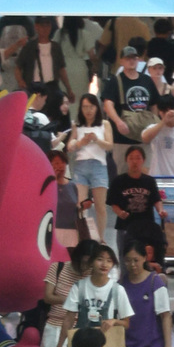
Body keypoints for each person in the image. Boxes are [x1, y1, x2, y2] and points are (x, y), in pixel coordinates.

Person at [68, 93, 113, 243]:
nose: (88, 110)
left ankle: (101, 237)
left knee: (100, 205)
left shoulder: (104, 124)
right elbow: (70, 146)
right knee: (80, 205)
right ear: (81, 108)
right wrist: (81, 142)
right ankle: (82, 236)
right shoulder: (77, 125)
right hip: (81, 165)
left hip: (98, 165)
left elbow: (109, 145)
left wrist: (96, 139)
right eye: (85, 107)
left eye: (91, 107)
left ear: (97, 108)